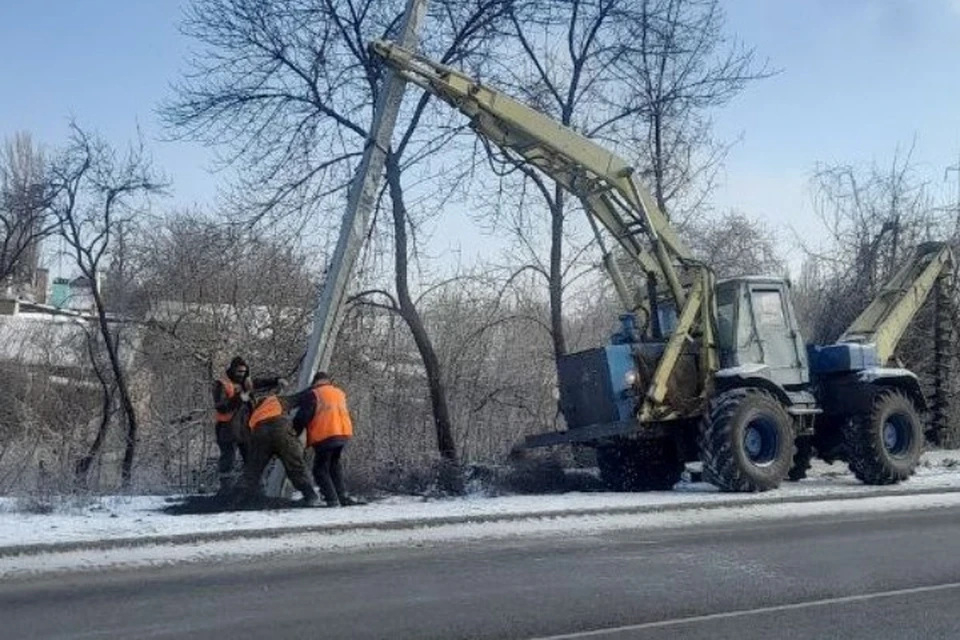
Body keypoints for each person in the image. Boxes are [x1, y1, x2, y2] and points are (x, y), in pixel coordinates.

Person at [211, 356, 285, 494]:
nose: (242, 374)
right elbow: (221, 407)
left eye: (244, 371)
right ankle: (226, 490)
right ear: (232, 370)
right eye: (239, 371)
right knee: (228, 459)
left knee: (251, 459)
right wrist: (239, 399)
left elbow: (260, 382)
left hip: (245, 428)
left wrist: (276, 380)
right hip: (228, 429)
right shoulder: (222, 384)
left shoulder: (247, 383)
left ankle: (255, 489)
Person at [294, 371, 360, 507]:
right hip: (342, 434)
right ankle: (342, 496)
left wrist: (295, 432)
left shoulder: (314, 394)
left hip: (325, 435)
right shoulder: (338, 392)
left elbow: (302, 417)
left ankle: (332, 499)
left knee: (320, 470)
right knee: (334, 466)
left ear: (315, 382)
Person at [242, 392, 320, 506]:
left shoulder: (254, 414)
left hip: (259, 433)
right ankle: (310, 495)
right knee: (295, 465)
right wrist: (314, 389)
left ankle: (248, 499)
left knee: (254, 470)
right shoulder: (275, 400)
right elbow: (298, 398)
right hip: (281, 430)